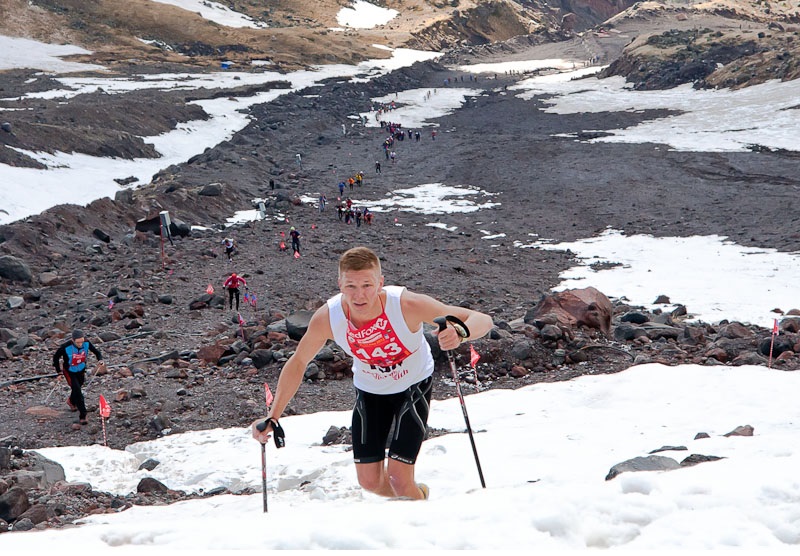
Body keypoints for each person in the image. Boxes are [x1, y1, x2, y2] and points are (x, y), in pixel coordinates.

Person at [251, 247, 493, 500]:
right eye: (351, 286)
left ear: (380, 283)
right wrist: (274, 416)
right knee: (369, 482)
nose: (359, 295)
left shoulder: (406, 305)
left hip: (412, 383)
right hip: (370, 390)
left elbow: (482, 319)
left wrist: (460, 333)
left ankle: (416, 520)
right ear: (340, 285)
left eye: (367, 285)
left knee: (399, 477)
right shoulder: (328, 318)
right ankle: (416, 499)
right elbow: (299, 361)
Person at [53, 329, 106, 425]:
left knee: (78, 386)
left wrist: (100, 360)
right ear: (73, 340)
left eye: (82, 341)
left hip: (81, 370)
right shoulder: (65, 347)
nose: (80, 344)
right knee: (78, 391)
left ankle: (71, 401)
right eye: (78, 342)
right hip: (69, 371)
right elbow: (55, 358)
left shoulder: (86, 343)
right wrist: (59, 372)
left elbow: (97, 352)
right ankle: (83, 415)